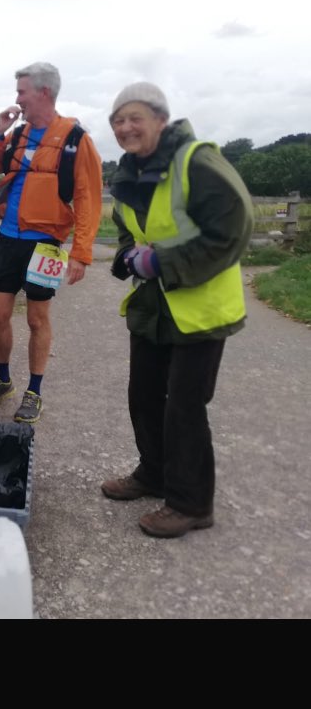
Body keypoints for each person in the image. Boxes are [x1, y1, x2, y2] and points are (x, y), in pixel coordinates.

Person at [101, 82, 254, 538]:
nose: (126, 128)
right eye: (118, 121)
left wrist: (161, 261)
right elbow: (127, 227)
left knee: (184, 407)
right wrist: (129, 255)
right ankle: (153, 474)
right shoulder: (129, 173)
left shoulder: (196, 161)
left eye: (135, 118)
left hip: (201, 309)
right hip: (153, 305)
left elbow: (234, 226)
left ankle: (192, 503)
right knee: (144, 396)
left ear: (160, 121)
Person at [0, 61, 103, 423]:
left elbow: (88, 198)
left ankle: (34, 391)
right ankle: (2, 380)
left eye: (22, 92)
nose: (17, 99)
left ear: (43, 92)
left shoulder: (77, 140)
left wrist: (82, 252)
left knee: (38, 318)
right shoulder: (16, 135)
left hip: (46, 243)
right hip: (8, 238)